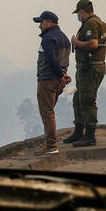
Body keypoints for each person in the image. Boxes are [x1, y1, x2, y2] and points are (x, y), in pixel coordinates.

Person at [64, 0, 106, 147]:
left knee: (87, 101)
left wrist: (76, 43)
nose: (78, 16)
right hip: (87, 68)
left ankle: (89, 136)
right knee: (78, 99)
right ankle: (78, 131)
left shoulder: (91, 23)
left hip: (90, 68)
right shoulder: (96, 23)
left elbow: (93, 44)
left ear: (82, 12)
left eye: (78, 13)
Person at [32, 10, 71, 155]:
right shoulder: (65, 38)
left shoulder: (47, 38)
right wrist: (64, 75)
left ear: (49, 22)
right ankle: (49, 142)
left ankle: (51, 145)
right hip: (59, 81)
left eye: (41, 22)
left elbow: (51, 59)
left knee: (47, 112)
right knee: (50, 111)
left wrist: (60, 75)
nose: (39, 26)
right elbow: (64, 61)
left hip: (48, 79)